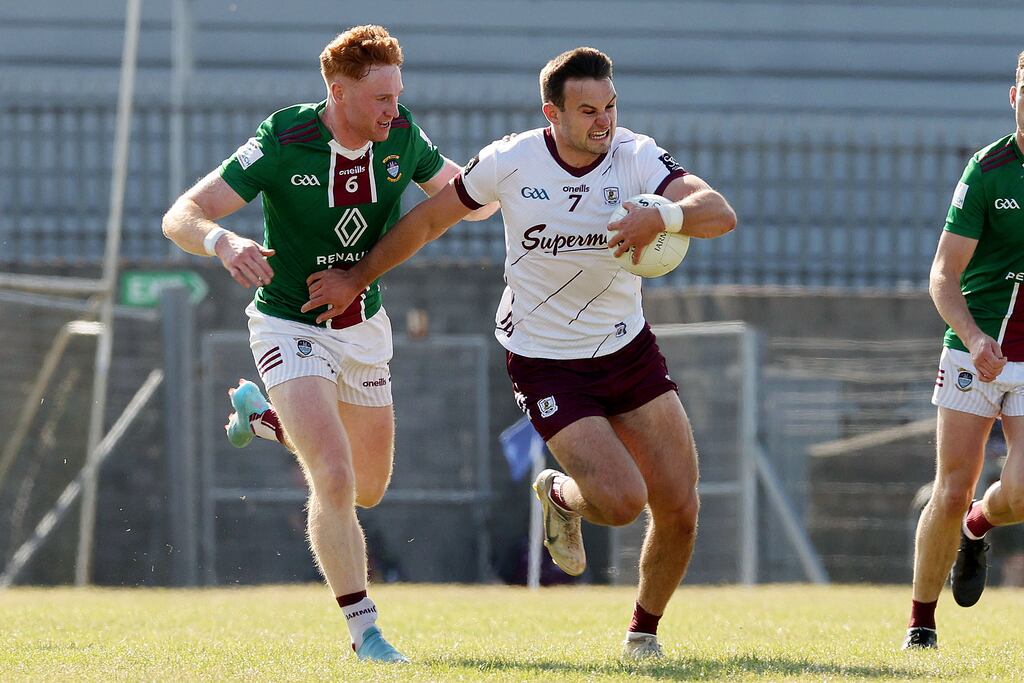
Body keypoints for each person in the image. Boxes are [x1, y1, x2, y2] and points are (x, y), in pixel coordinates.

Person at [299, 47, 736, 658]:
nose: (603, 122)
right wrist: (357, 278)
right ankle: (562, 495)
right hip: (544, 359)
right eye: (587, 110)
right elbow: (427, 222)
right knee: (621, 501)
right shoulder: (511, 161)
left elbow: (718, 212)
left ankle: (642, 636)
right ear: (550, 112)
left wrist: (662, 214)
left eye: (609, 106)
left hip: (626, 348)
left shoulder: (636, 156)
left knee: (682, 508)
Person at [161, 25, 495, 663]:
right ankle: (366, 633)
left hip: (364, 328)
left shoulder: (402, 136)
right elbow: (182, 214)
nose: (393, 110)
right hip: (290, 324)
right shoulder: (285, 139)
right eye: (380, 98)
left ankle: (264, 419)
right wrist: (223, 241)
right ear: (338, 94)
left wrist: (515, 179)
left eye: (398, 95)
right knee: (334, 478)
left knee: (369, 486)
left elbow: (465, 198)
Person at [903, 50, 1024, 650]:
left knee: (1021, 495)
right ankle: (920, 624)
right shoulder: (988, 168)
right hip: (975, 349)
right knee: (951, 488)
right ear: (1013, 96)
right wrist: (976, 339)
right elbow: (944, 276)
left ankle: (980, 526)